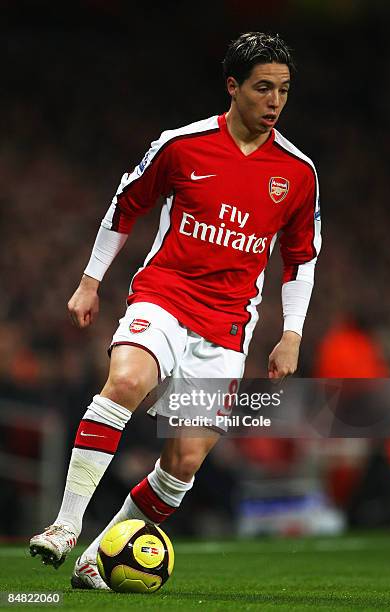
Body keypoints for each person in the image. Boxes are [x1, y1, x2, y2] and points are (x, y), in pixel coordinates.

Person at [29, 31, 321, 589]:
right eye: (263, 88)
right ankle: (65, 526)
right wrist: (90, 283)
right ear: (233, 87)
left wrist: (293, 334)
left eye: (284, 90)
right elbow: (124, 206)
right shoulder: (182, 145)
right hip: (164, 297)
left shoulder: (298, 173)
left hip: (228, 325)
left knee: (184, 462)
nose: (275, 101)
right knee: (126, 380)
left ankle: (97, 556)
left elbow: (301, 259)